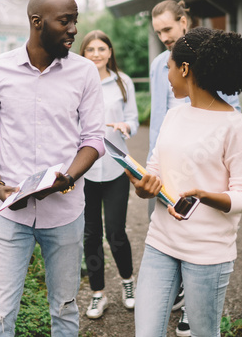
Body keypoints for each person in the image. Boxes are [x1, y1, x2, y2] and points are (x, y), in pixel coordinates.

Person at [0, 0, 106, 337]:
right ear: (37, 22)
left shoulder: (86, 73)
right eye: (65, 21)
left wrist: (69, 177)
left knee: (64, 308)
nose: (74, 29)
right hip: (10, 212)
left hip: (65, 212)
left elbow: (93, 139)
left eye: (75, 20)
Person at [125, 27, 242, 337]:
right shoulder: (174, 117)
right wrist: (145, 185)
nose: (167, 76)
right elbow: (156, 169)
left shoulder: (236, 125)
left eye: (169, 67)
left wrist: (206, 196)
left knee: (202, 333)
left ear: (184, 68)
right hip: (161, 242)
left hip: (207, 252)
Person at [148, 0, 241, 336]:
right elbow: (159, 117)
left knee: (200, 235)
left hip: (204, 165)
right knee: (164, 231)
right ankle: (173, 292)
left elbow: (230, 106)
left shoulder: (213, 56)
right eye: (158, 32)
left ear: (183, 21)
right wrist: (150, 168)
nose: (164, 37)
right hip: (167, 160)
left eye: (168, 29)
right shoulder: (161, 63)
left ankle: (193, 308)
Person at [79, 30, 139, 319]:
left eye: (101, 48)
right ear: (83, 53)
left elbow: (134, 120)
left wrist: (126, 127)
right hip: (86, 170)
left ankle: (128, 284)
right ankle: (97, 294)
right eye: (90, 49)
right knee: (91, 234)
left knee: (116, 230)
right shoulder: (76, 83)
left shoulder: (123, 82)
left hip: (116, 167)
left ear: (110, 52)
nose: (96, 54)